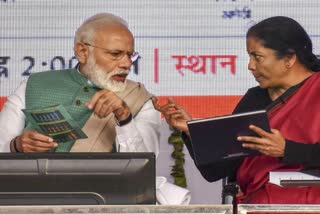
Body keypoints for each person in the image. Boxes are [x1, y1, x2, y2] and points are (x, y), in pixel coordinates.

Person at [152, 16, 320, 204]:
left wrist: (287, 149)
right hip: (256, 204)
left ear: (289, 58)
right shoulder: (255, 99)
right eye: (249, 57)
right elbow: (217, 170)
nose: (250, 66)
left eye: (257, 57)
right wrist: (192, 130)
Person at [0, 13, 161, 155]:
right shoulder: (33, 85)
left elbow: (146, 165)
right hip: (34, 187)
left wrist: (125, 117)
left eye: (130, 55)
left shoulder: (140, 98)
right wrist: (17, 145)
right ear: (82, 52)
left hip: (103, 188)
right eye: (115, 54)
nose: (126, 64)